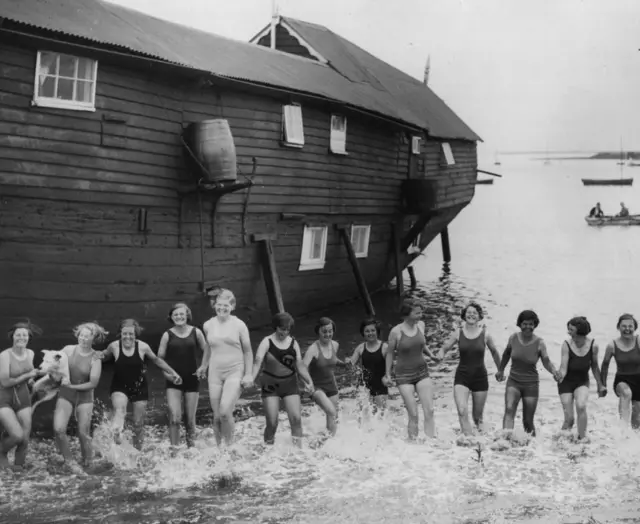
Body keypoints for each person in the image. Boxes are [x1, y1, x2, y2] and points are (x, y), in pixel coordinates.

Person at [96, 319, 183, 450]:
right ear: (121, 334)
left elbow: (156, 360)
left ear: (135, 334)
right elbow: (104, 355)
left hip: (140, 388)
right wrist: (95, 355)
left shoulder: (143, 347)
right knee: (120, 411)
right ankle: (117, 435)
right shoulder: (114, 346)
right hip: (119, 387)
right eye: (125, 334)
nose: (128, 337)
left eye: (131, 334)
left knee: (138, 424)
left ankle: (137, 452)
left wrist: (173, 372)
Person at [439, 303, 502, 436]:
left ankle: (481, 444)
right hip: (462, 377)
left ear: (479, 317)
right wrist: (439, 355)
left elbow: (495, 352)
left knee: (477, 418)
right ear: (464, 315)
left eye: (474, 313)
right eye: (469, 312)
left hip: (480, 378)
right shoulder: (458, 333)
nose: (471, 314)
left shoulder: (485, 334)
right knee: (462, 411)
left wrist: (500, 370)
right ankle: (468, 441)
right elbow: (444, 348)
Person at [252, 312, 314, 446]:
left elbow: (300, 365)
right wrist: (251, 378)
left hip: (290, 384)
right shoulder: (266, 341)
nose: (284, 332)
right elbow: (257, 362)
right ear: (276, 327)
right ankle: (268, 449)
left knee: (296, 419)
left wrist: (309, 381)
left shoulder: (293, 343)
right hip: (270, 385)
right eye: (282, 329)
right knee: (272, 423)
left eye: (287, 329)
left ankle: (298, 451)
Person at [496, 310, 561, 436]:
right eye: (525, 324)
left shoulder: (539, 342)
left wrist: (554, 372)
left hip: (531, 385)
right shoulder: (513, 338)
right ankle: (505, 441)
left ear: (535, 325)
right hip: (513, 382)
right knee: (509, 410)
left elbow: (546, 361)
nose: (528, 327)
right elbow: (506, 354)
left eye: (531, 324)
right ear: (520, 324)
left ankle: (531, 448)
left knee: (527, 420)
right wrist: (501, 369)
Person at [202, 288, 253, 446]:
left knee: (225, 411)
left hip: (235, 370)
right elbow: (208, 348)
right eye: (219, 305)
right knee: (217, 416)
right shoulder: (208, 325)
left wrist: (248, 374)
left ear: (232, 306)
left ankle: (230, 447)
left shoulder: (239, 325)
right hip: (215, 373)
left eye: (226, 305)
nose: (221, 308)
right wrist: (204, 365)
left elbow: (248, 350)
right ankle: (219, 449)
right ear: (214, 305)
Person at [384, 300, 440, 439]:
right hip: (403, 376)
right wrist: (388, 374)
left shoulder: (421, 325)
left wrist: (431, 355)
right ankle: (413, 445)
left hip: (422, 372)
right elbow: (390, 353)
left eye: (421, 312)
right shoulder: (396, 331)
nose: (420, 315)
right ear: (407, 314)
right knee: (413, 414)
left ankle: (430, 442)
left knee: (430, 410)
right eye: (417, 313)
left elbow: (421, 345)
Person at [54, 321, 106, 470]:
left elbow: (93, 383)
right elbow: (53, 364)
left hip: (85, 398)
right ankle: (69, 461)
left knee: (83, 434)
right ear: (78, 335)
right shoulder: (68, 350)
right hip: (66, 395)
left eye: (87, 337)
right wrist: (52, 376)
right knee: (58, 429)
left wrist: (72, 386)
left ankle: (88, 462)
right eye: (81, 336)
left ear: (93, 338)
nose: (83, 339)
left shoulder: (95, 357)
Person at [157, 303, 209, 448]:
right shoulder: (167, 335)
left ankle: (191, 449)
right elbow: (159, 359)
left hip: (192, 379)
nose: (179, 317)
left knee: (190, 420)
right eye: (176, 315)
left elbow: (207, 351)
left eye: (181, 314)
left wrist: (204, 367)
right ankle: (175, 450)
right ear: (171, 317)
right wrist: (167, 375)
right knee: (175, 417)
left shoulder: (196, 332)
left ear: (187, 315)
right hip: (173, 381)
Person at [556, 316, 606, 440]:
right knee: (570, 419)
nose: (568, 332)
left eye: (571, 330)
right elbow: (563, 367)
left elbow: (595, 367)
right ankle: (560, 442)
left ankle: (582, 438)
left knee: (581, 405)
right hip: (565, 383)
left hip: (582, 381)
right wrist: (559, 375)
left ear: (579, 331)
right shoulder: (566, 344)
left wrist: (600, 384)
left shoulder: (593, 345)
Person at [0, 321, 41, 469]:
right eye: (18, 335)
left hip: (23, 397)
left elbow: (28, 377)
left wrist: (32, 380)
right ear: (13, 336)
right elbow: (5, 382)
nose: (21, 338)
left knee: (24, 439)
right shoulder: (4, 356)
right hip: (4, 398)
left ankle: (19, 468)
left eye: (25, 335)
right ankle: (1, 451)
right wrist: (27, 375)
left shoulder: (30, 353)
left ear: (29, 337)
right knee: (16, 435)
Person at [303, 317, 348, 436]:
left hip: (332, 387)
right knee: (331, 411)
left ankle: (328, 445)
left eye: (330, 331)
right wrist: (307, 383)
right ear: (318, 331)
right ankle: (320, 439)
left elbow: (332, 360)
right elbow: (302, 367)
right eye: (324, 332)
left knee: (333, 418)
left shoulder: (335, 345)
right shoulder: (312, 349)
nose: (328, 334)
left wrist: (344, 365)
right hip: (317, 388)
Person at [601, 313, 640, 428]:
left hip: (639, 380)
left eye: (630, 326)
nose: (627, 329)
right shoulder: (612, 345)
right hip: (622, 380)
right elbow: (604, 366)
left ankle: (634, 440)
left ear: (634, 328)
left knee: (637, 418)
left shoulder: (638, 341)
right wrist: (602, 385)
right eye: (624, 326)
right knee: (626, 393)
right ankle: (622, 431)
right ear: (618, 327)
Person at [348, 318, 389, 411]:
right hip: (364, 387)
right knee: (362, 415)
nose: (370, 333)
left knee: (381, 415)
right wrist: (355, 371)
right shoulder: (361, 348)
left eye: (372, 330)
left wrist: (387, 376)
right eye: (367, 331)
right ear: (363, 333)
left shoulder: (384, 347)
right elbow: (351, 365)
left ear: (377, 331)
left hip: (380, 386)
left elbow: (390, 367)